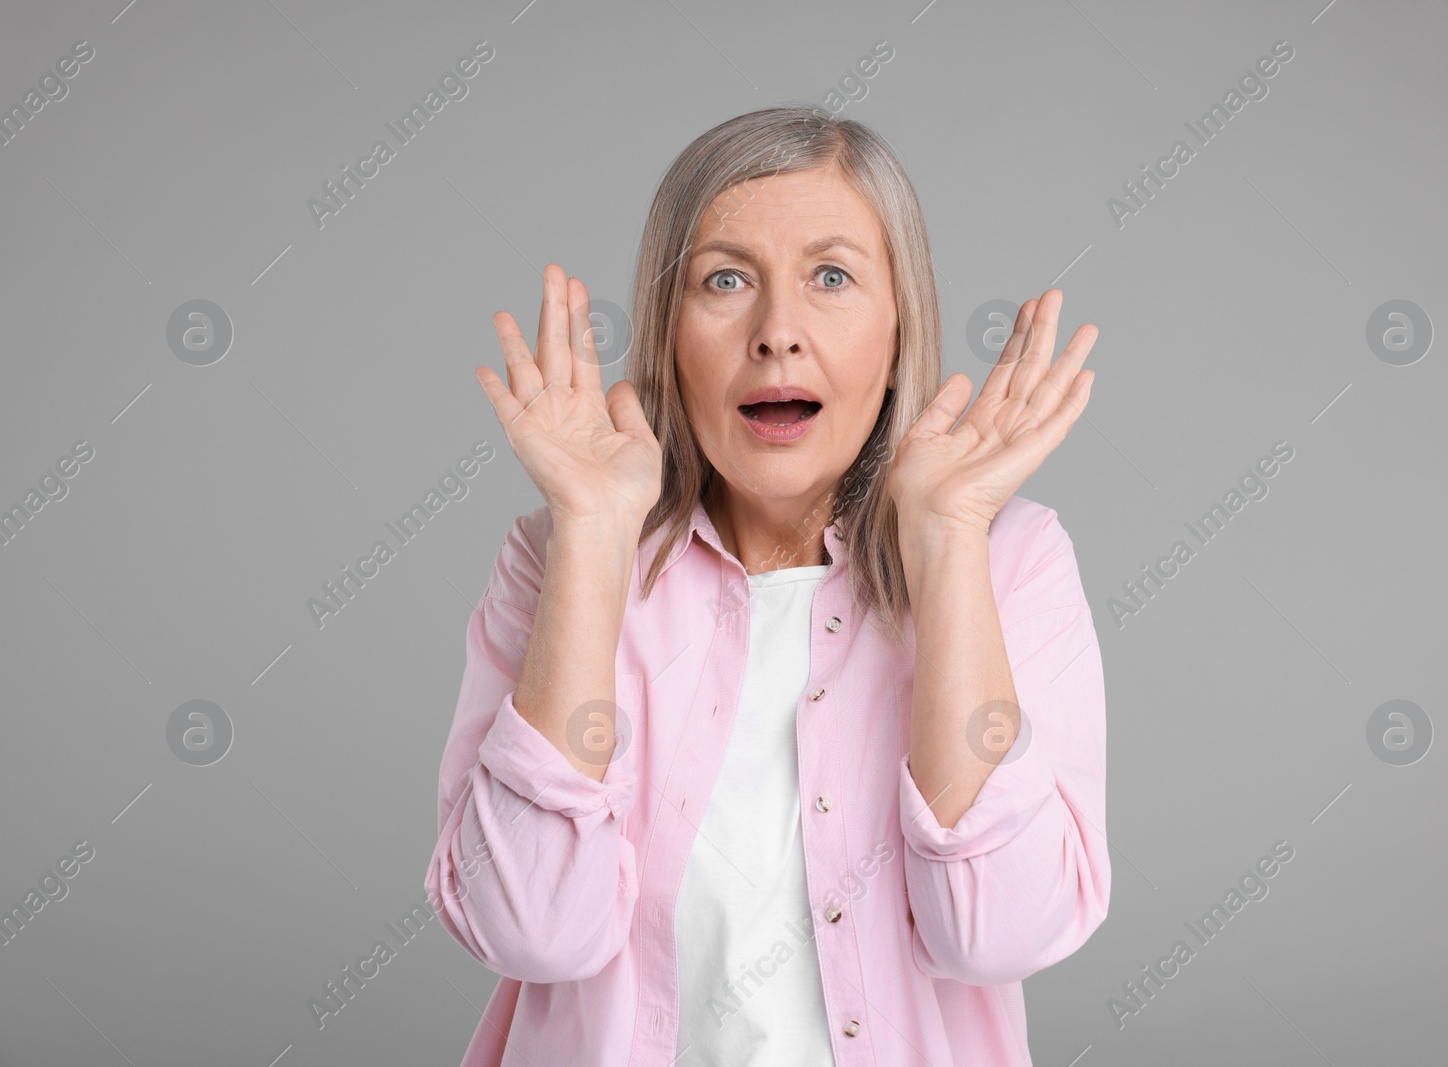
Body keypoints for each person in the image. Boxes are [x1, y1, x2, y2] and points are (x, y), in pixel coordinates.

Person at [424, 104, 1109, 1067]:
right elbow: (531, 930)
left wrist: (947, 538)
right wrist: (591, 532)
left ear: (897, 320)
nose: (777, 331)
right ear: (667, 330)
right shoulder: (556, 558)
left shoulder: (1013, 560)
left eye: (832, 276)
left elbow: (1000, 936)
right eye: (725, 280)